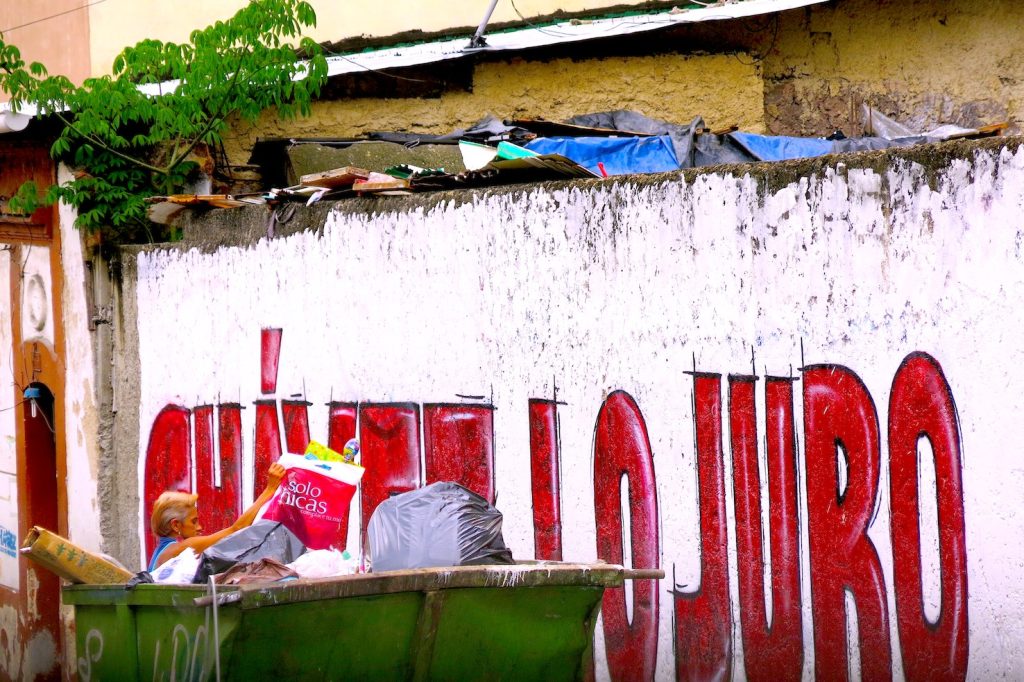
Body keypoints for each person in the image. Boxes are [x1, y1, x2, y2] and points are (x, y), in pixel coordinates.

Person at [148, 462, 287, 571]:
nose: (200, 527)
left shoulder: (161, 551)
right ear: (176, 525)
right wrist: (270, 490)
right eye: (194, 522)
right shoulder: (182, 548)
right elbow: (236, 529)